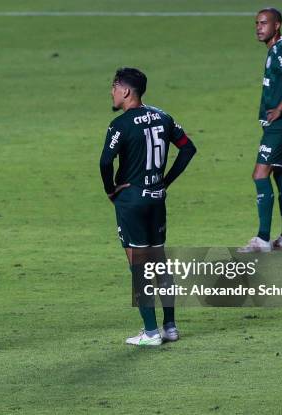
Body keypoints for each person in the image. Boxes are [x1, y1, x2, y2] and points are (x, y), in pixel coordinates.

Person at [100, 68, 197, 346]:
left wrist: (110, 190)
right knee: (160, 264)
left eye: (114, 86)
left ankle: (151, 332)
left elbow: (105, 162)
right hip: (156, 199)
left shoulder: (120, 124)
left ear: (126, 91)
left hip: (132, 202)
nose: (112, 91)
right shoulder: (163, 117)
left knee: (139, 267)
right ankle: (170, 326)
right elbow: (188, 148)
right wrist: (165, 182)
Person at [239, 7, 282, 253]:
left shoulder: (279, 51)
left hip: (281, 123)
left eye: (264, 23)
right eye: (257, 23)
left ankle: (262, 240)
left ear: (276, 25)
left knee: (260, 175)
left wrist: (278, 109)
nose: (259, 27)